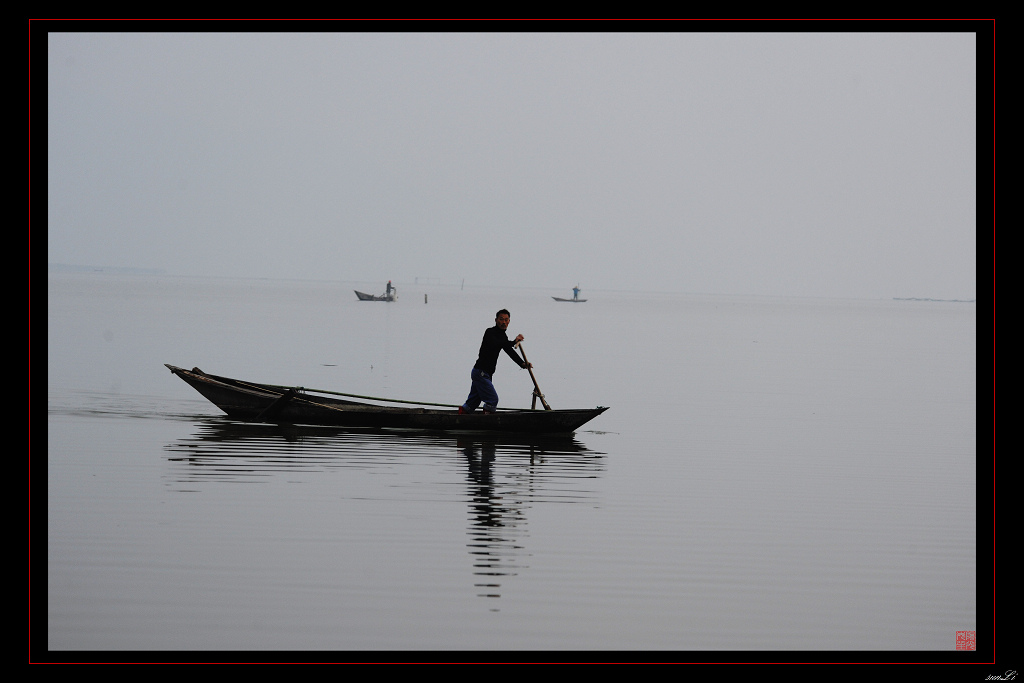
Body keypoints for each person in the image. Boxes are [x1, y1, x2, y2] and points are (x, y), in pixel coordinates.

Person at [459, 309, 532, 414]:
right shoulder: (490, 332)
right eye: (501, 319)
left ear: (509, 321)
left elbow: (509, 351)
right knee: (492, 400)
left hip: (486, 373)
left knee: (472, 403)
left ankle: (463, 414)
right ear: (496, 320)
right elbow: (498, 344)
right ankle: (486, 423)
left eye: (506, 320)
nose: (504, 322)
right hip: (480, 372)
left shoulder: (503, 337)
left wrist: (523, 364)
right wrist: (514, 341)